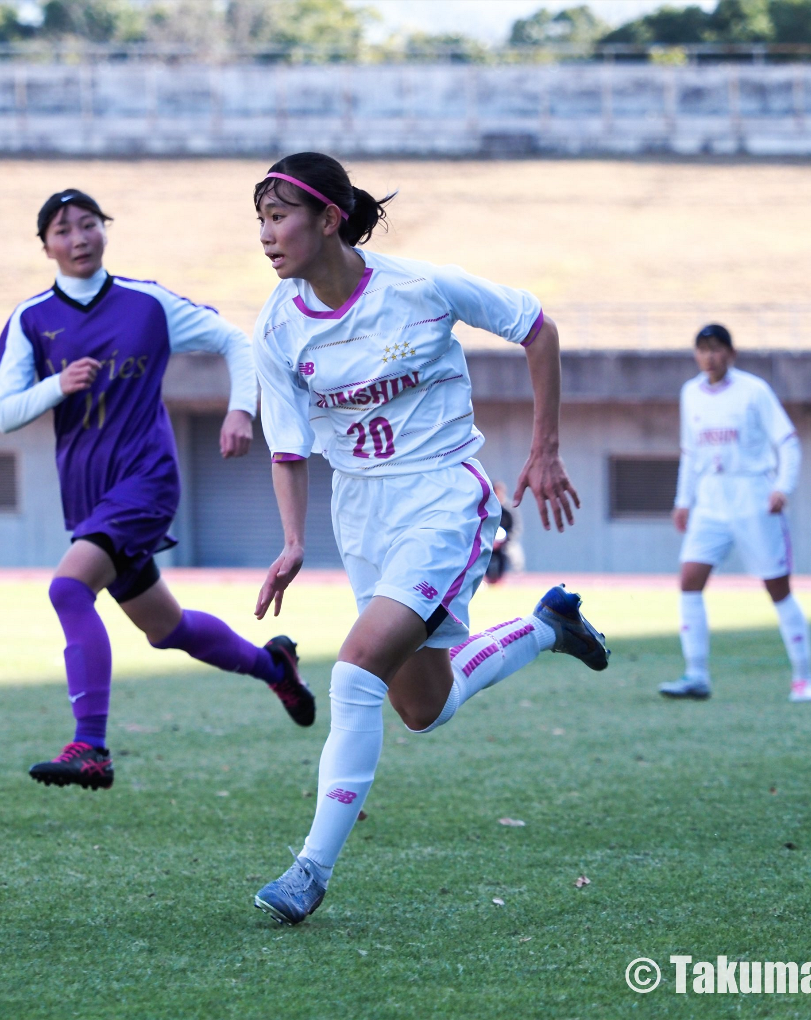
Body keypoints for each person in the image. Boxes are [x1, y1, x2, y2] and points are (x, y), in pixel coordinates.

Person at [246, 153, 610, 925]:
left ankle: (309, 870)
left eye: (280, 217)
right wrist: (289, 541)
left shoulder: (420, 287)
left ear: (329, 219)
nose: (268, 237)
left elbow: (537, 327)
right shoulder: (277, 325)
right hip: (363, 515)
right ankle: (547, 628)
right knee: (423, 707)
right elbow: (287, 446)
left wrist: (543, 449)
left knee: (353, 669)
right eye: (262, 221)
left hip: (444, 500)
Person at [0, 188, 317, 791]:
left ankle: (91, 747)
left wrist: (242, 410)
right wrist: (58, 386)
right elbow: (5, 413)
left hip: (146, 478)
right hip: (87, 490)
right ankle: (275, 665)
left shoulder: (147, 303)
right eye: (63, 230)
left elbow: (233, 340)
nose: (78, 238)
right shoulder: (30, 318)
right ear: (45, 246)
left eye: (89, 225)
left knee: (67, 589)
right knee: (167, 630)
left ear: (105, 231)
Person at [660, 323, 811, 703]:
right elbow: (690, 452)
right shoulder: (690, 393)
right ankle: (696, 674)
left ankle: (803, 677)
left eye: (716, 349)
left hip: (753, 496)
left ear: (731, 353)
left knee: (777, 587)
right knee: (689, 580)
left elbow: (788, 441)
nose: (709, 357)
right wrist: (684, 500)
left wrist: (783, 487)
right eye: (702, 349)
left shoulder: (754, 391)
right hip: (711, 499)